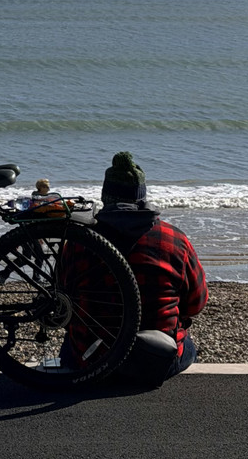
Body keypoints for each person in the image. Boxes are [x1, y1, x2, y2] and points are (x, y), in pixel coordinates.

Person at [64, 151, 208, 382]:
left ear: (105, 196)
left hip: (91, 359)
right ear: (141, 196)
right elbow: (196, 303)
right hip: (157, 358)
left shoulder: (80, 241)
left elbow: (64, 300)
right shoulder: (175, 240)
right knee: (187, 345)